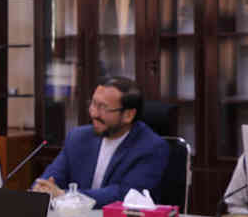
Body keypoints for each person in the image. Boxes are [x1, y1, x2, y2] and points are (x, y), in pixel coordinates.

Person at [31, 76, 170, 208]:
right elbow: (51, 179)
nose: (94, 113)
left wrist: (66, 196)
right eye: (93, 104)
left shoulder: (151, 147)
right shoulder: (78, 138)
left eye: (103, 107)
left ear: (128, 115)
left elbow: (125, 195)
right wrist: (42, 190)